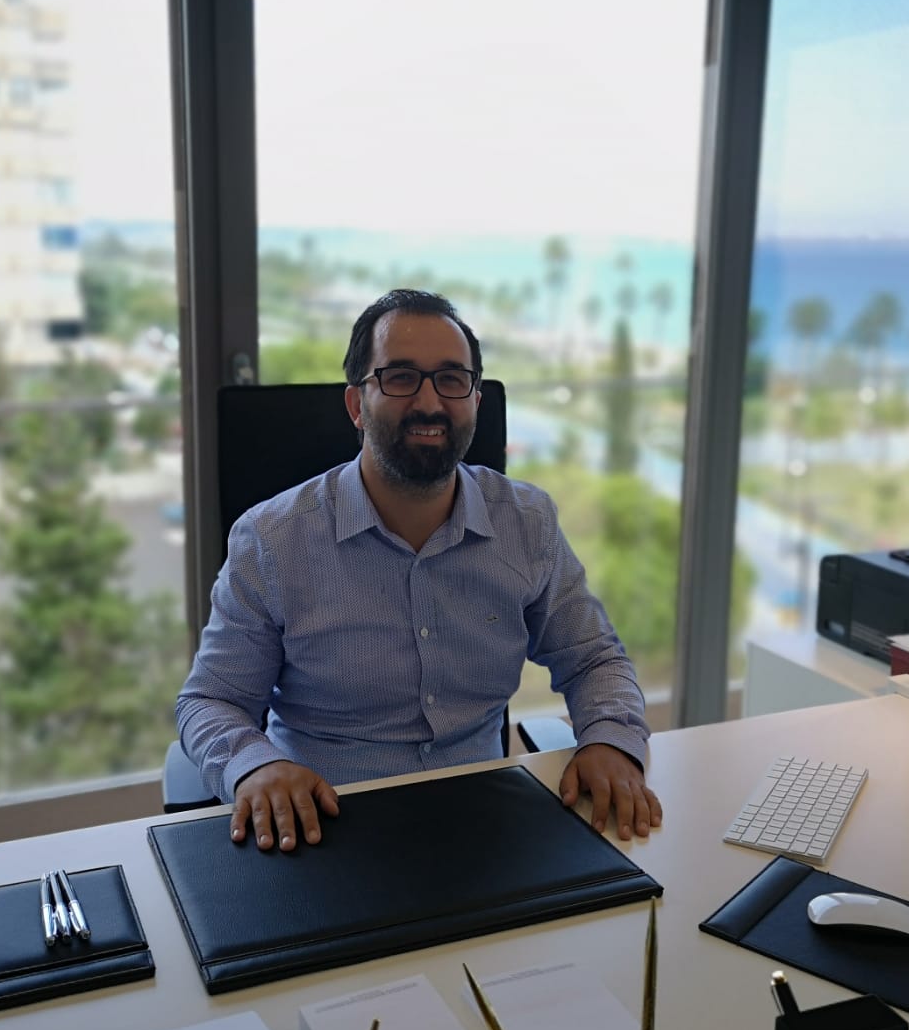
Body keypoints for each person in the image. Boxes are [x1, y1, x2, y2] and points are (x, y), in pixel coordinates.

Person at [176, 289, 662, 851]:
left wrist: (609, 740)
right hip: (322, 826)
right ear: (357, 405)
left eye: (452, 379)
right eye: (401, 377)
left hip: (484, 820)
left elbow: (594, 659)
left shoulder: (526, 525)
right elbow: (211, 700)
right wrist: (254, 766)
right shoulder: (273, 540)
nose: (429, 402)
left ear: (475, 399)